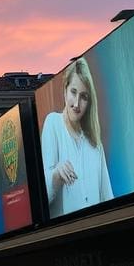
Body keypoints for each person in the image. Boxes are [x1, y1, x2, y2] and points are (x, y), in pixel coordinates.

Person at [41, 57, 112, 217]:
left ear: (89, 102)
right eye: (73, 92)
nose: (77, 104)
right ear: (65, 90)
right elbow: (42, 195)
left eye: (84, 97)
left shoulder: (95, 144)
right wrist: (57, 174)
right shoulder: (53, 123)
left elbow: (107, 197)